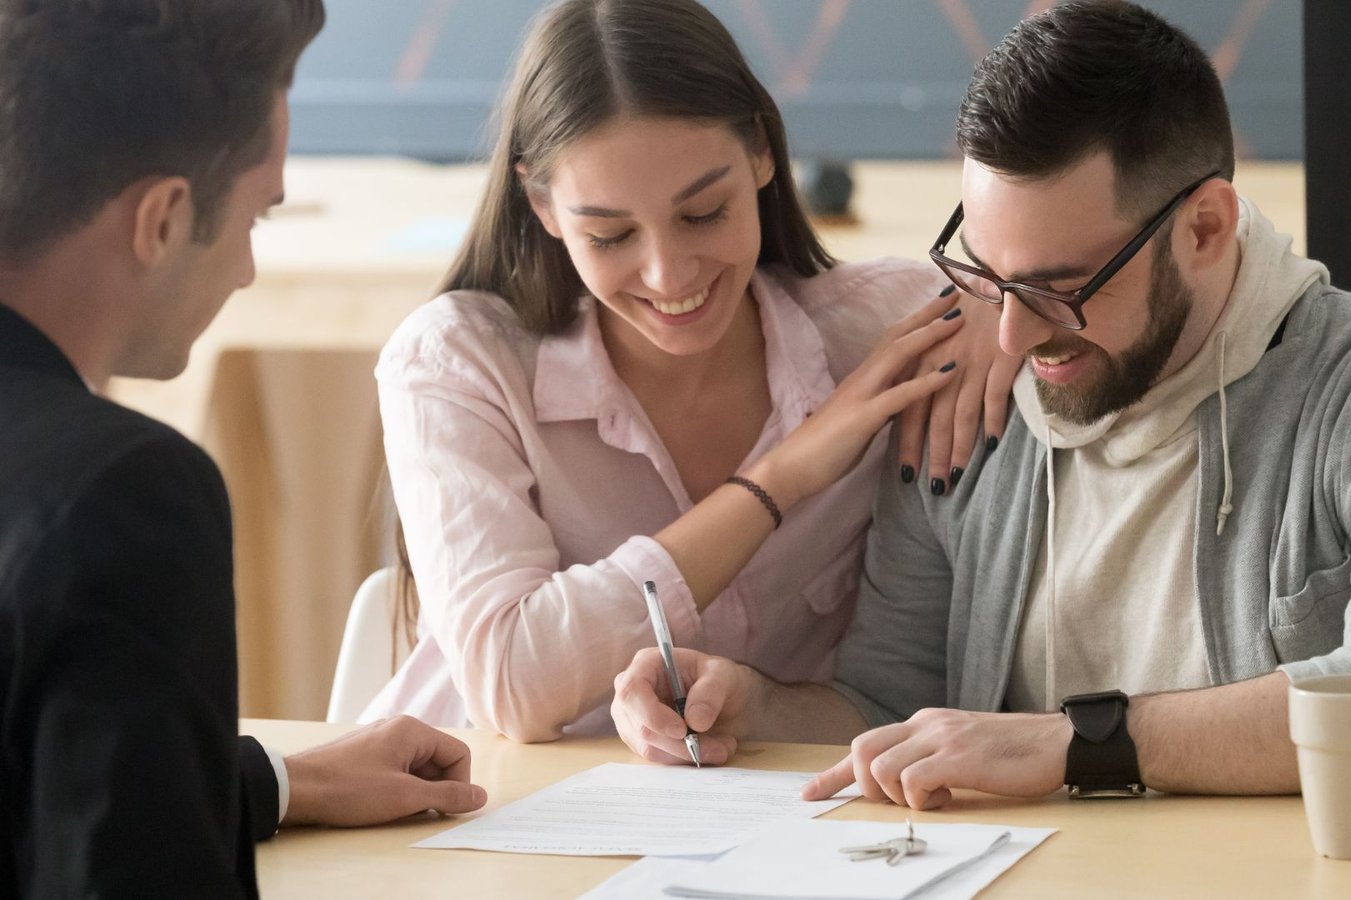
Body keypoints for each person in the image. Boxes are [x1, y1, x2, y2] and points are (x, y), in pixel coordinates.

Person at [611, 0, 1351, 806]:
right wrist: (757, 704)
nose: (1009, 338)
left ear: (1205, 228)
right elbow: (895, 703)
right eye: (987, 276)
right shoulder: (967, 404)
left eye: (1058, 287)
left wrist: (1077, 745)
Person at [363, 0, 1015, 741]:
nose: (668, 274)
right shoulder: (458, 361)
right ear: (543, 205)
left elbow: (1043, 294)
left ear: (763, 156)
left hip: (779, 822)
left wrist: (1000, 306)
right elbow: (512, 685)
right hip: (477, 816)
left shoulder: (887, 332)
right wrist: (781, 478)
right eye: (609, 234)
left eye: (704, 213)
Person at [0, 2, 484, 896]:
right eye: (258, 217)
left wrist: (282, 780)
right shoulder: (122, 492)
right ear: (163, 219)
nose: (248, 270)